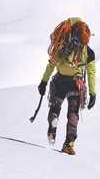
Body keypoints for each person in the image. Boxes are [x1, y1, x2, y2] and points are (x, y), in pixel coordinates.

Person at [38, 17, 96, 155]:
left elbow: (51, 65)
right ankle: (69, 143)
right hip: (76, 84)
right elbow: (91, 72)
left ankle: (53, 121)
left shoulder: (61, 46)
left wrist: (44, 82)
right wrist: (93, 93)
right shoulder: (87, 51)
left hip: (60, 82)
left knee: (55, 106)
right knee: (73, 113)